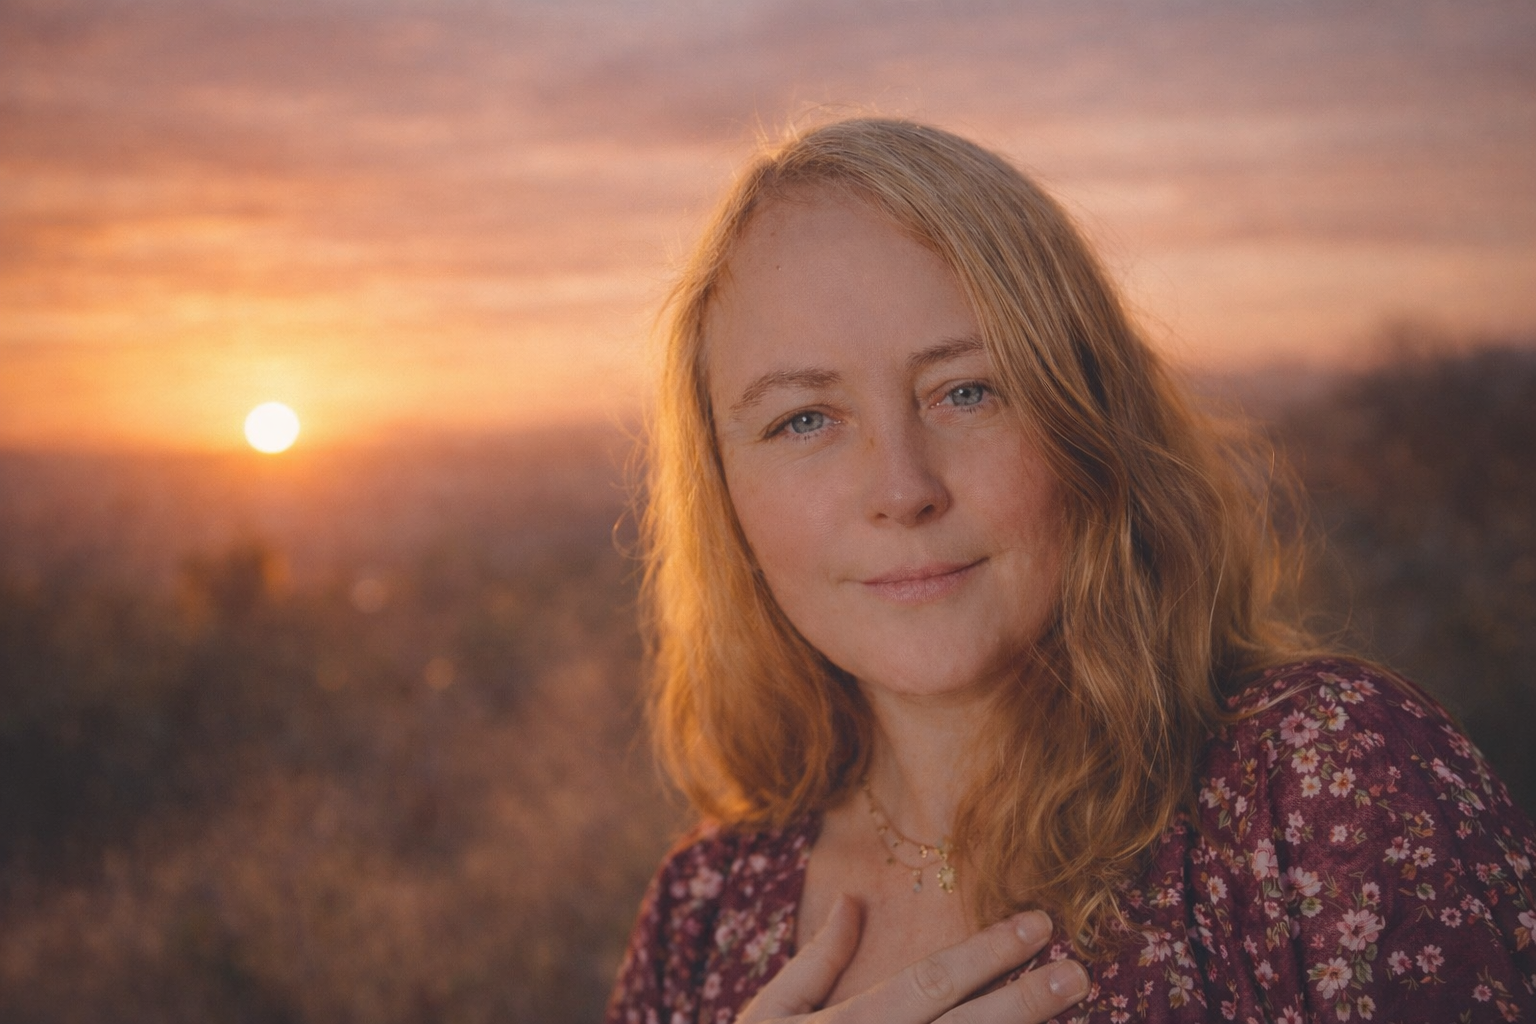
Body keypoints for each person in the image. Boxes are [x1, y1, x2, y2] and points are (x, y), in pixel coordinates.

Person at [606, 118, 1536, 1024]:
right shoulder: (701, 913)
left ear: (1089, 423)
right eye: (804, 419)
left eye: (968, 391)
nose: (903, 489)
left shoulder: (1328, 779)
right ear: (723, 492)